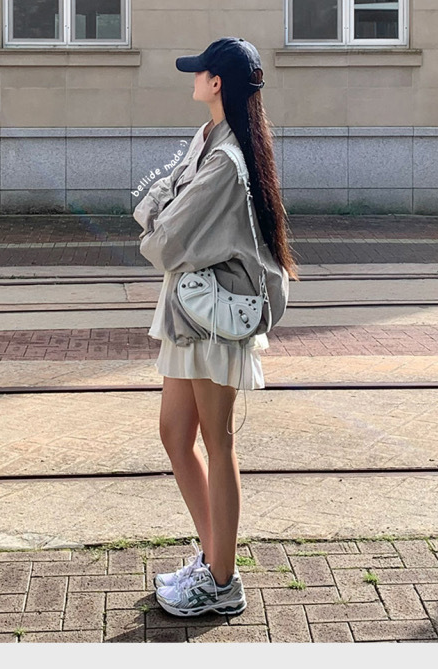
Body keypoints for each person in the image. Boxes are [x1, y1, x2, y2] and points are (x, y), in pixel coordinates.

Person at [133, 40, 297, 620]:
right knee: (175, 434)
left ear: (218, 82)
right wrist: (163, 213)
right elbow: (162, 215)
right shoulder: (209, 138)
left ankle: (224, 581)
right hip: (190, 312)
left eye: (199, 71)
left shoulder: (225, 161)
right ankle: (212, 557)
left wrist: (161, 213)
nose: (193, 78)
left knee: (216, 441)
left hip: (212, 318)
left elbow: (162, 239)